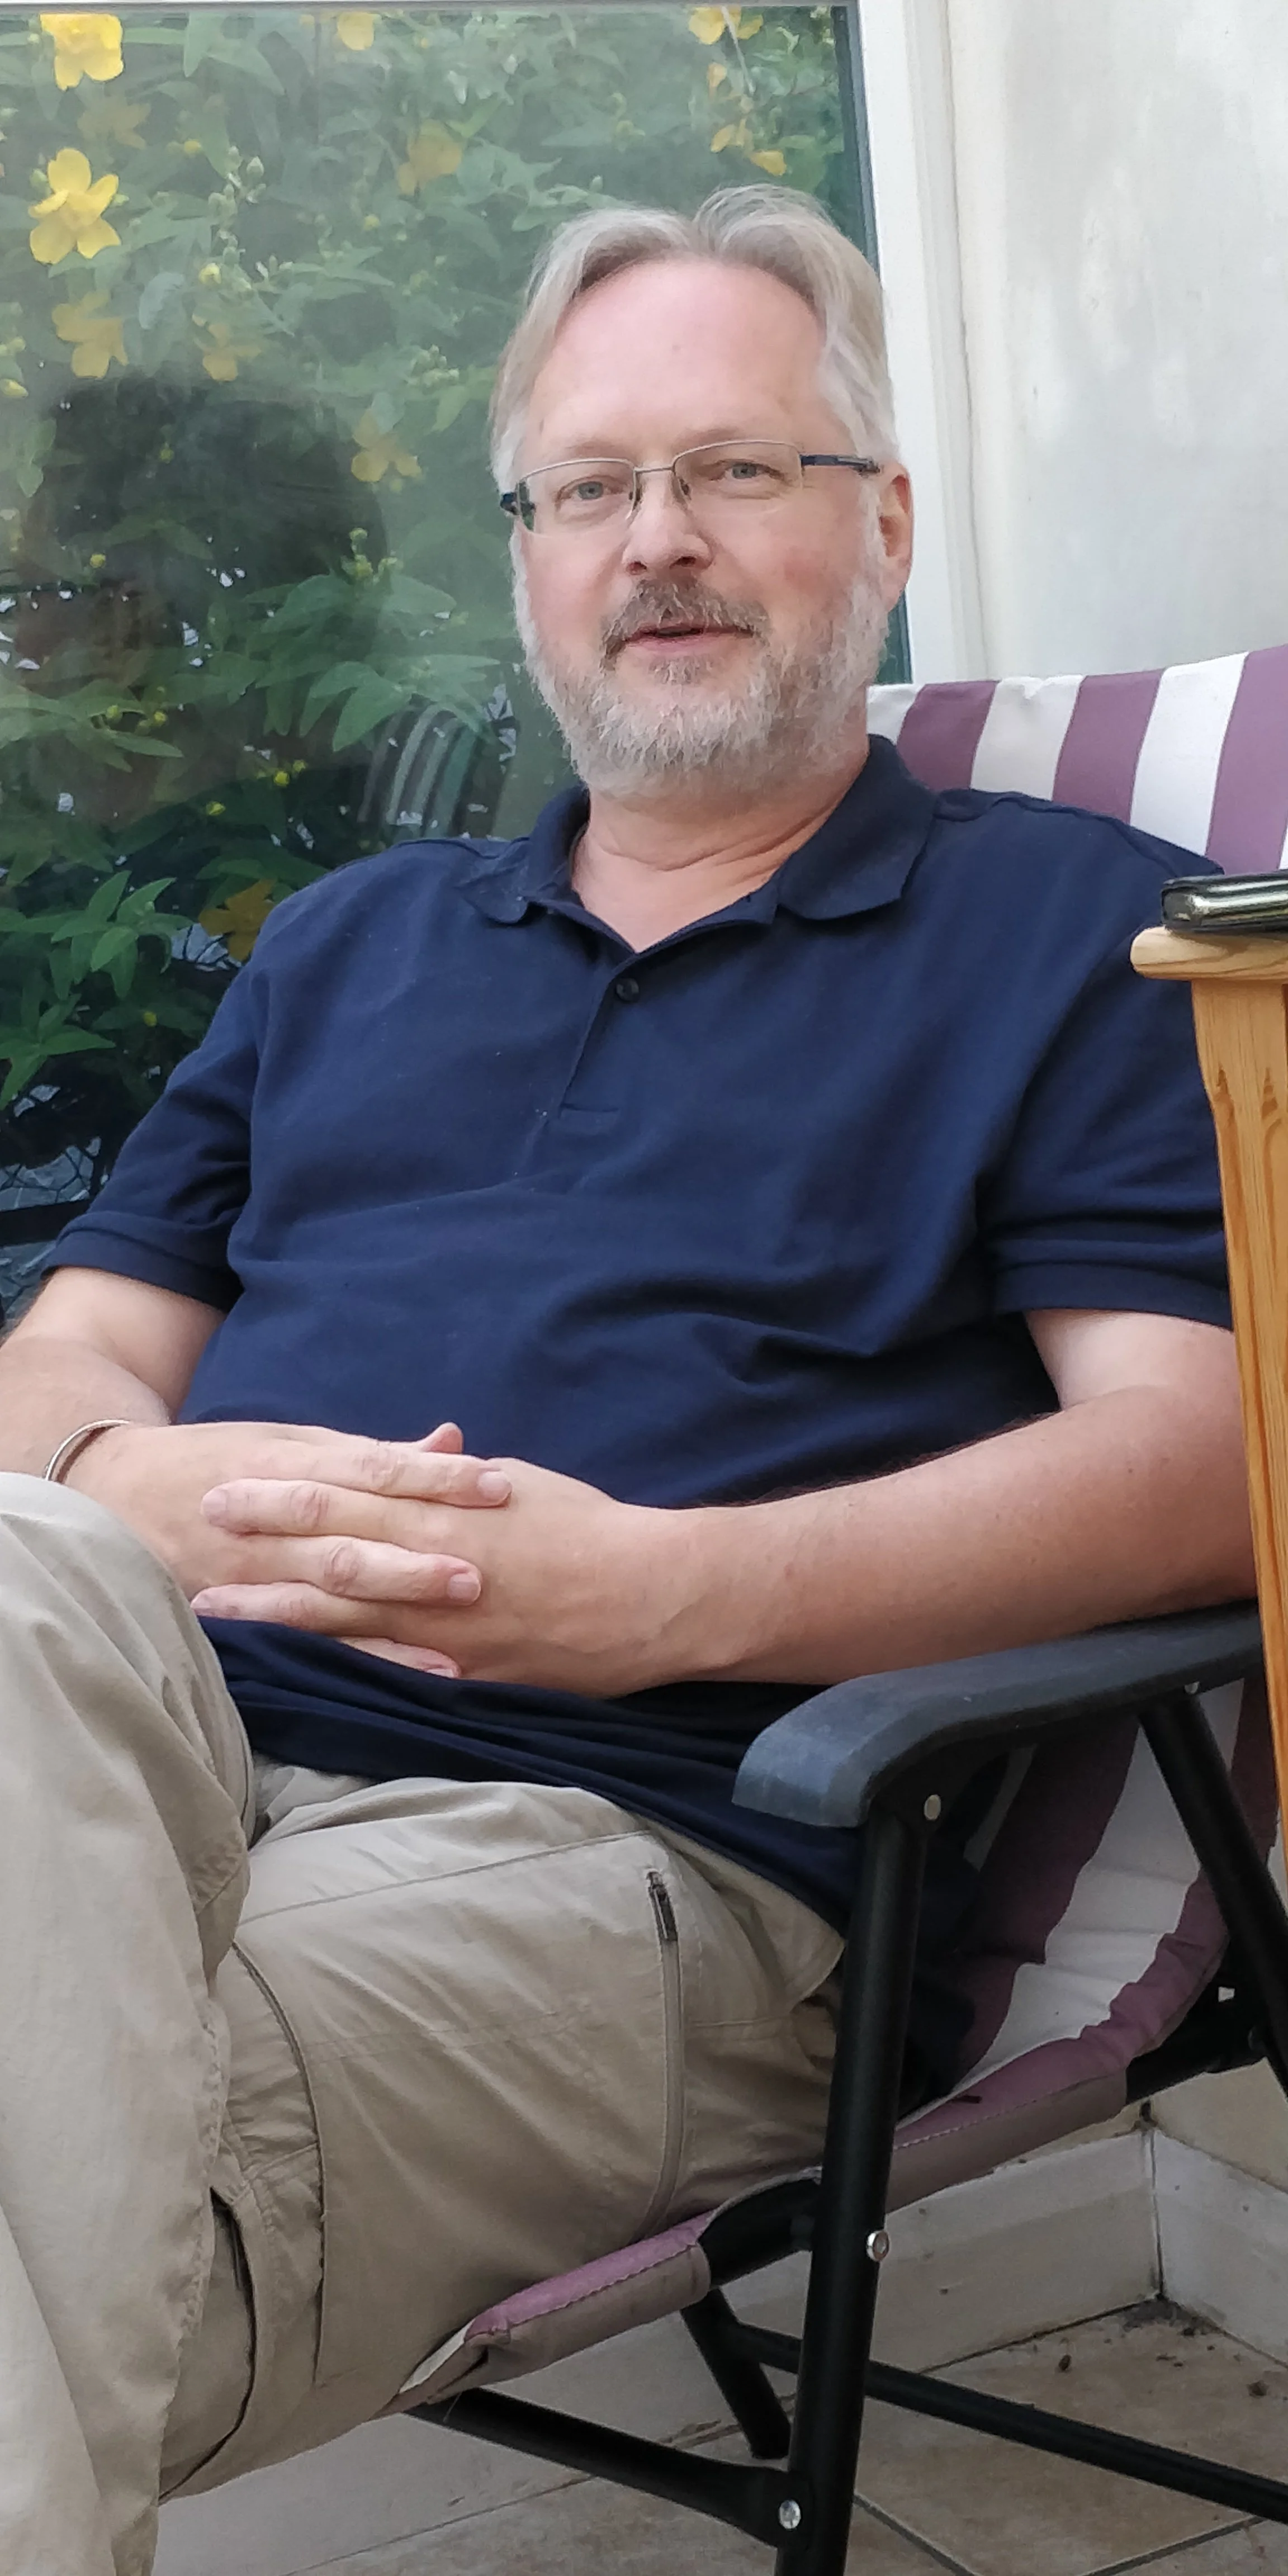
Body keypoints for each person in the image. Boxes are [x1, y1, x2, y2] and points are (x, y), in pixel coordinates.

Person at [0, 186, 1252, 2576]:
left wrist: (669, 1595)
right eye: (590, 487)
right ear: (528, 564)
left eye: (734, 470)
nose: (655, 539)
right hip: (125, 1736)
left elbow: (1205, 1465)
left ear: (886, 528)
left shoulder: (1069, 934)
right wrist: (111, 1479)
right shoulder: (347, 946)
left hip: (615, 1847)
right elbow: (63, 1354)